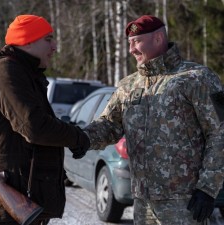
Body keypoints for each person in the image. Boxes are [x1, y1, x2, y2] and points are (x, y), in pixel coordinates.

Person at [73, 15, 224, 224]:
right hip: (143, 203)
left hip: (184, 201)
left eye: (136, 42)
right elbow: (110, 125)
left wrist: (208, 188)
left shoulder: (197, 78)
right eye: (129, 43)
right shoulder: (129, 86)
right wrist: (81, 138)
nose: (131, 50)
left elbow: (219, 133)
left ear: (158, 38)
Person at [0, 15, 90, 225]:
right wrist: (76, 137)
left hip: (20, 198)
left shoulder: (22, 71)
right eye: (48, 39)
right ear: (28, 40)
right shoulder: (5, 70)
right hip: (7, 206)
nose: (55, 47)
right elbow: (33, 126)